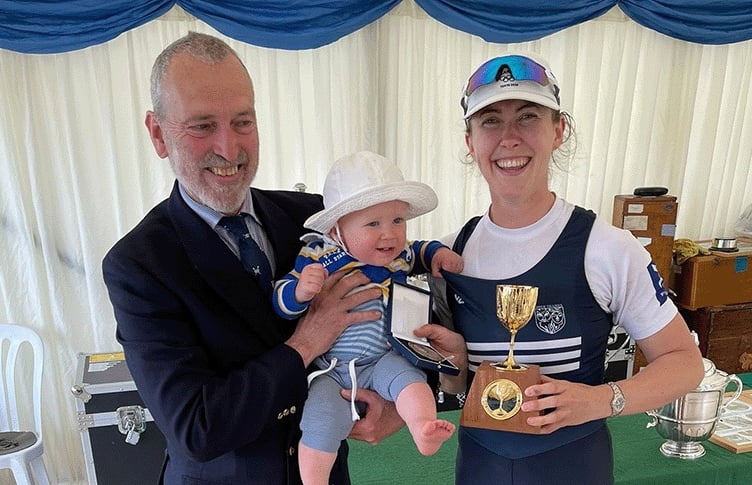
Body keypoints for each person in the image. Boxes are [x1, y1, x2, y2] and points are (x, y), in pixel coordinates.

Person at [102, 32, 402, 484]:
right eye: (202, 126)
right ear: (158, 134)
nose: (229, 148)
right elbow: (197, 429)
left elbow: (389, 304)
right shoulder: (138, 264)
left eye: (242, 121)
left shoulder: (314, 219)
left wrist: (400, 405)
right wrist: (306, 343)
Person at [415, 53, 705, 484]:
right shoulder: (456, 249)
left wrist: (601, 400)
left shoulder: (607, 247)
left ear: (558, 130)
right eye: (490, 121)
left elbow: (685, 364)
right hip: (478, 466)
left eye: (527, 117)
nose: (509, 138)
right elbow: (459, 388)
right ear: (470, 142)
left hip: (573, 467)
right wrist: (454, 364)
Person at [272, 151, 462, 484]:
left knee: (411, 384)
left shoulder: (400, 254)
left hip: (382, 358)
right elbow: (280, 298)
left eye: (397, 221)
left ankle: (423, 429)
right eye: (373, 223)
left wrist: (439, 254)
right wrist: (300, 291)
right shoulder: (321, 254)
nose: (389, 234)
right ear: (337, 230)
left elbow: (420, 249)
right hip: (329, 369)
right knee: (320, 419)